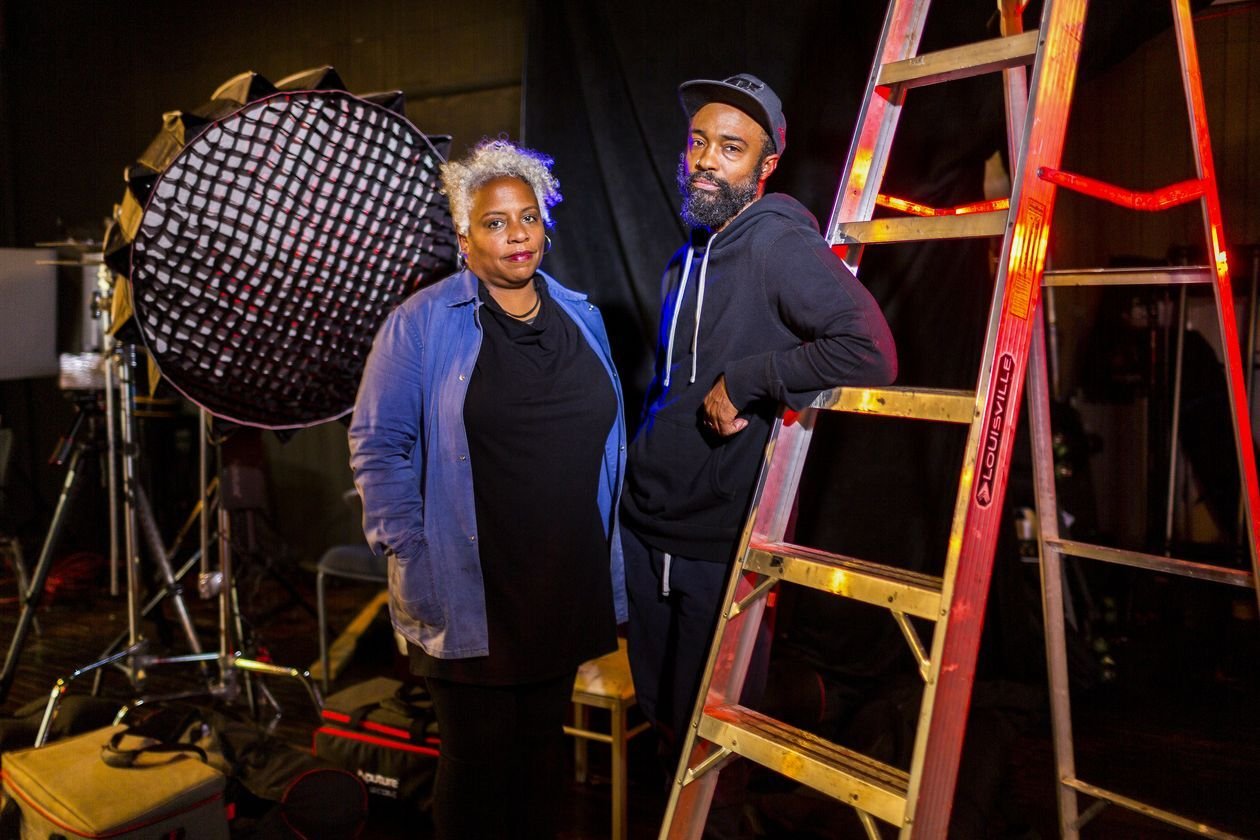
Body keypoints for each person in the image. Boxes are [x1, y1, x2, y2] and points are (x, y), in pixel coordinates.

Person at [621, 73, 898, 835]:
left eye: (731, 149)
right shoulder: (691, 255)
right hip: (649, 523)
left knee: (714, 745)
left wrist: (752, 380)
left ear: (765, 165)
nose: (707, 160)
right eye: (699, 142)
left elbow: (870, 351)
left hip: (715, 536)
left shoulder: (776, 238)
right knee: (666, 725)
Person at [348, 138, 626, 840]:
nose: (516, 235)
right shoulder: (420, 323)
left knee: (540, 768)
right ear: (464, 234)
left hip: (561, 583)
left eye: (526, 217)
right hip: (471, 587)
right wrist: (409, 550)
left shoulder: (581, 316)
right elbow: (378, 443)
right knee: (477, 777)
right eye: (495, 222)